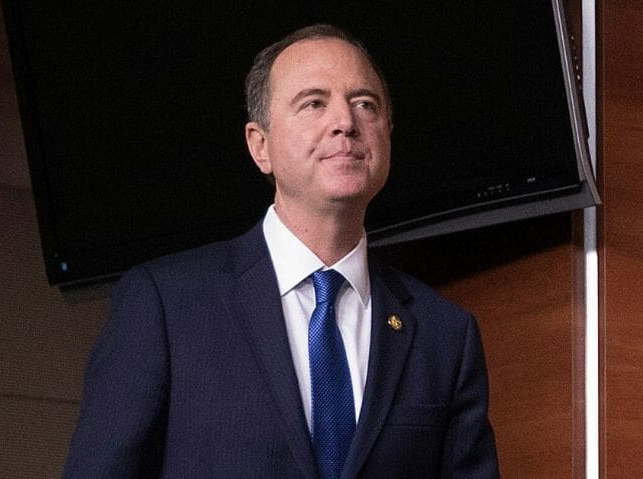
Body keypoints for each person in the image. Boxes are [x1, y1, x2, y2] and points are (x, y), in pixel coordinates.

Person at [62, 24, 499, 478]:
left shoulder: (445, 334)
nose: (345, 122)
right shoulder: (166, 305)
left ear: (387, 133)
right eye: (313, 103)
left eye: (365, 104)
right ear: (260, 145)